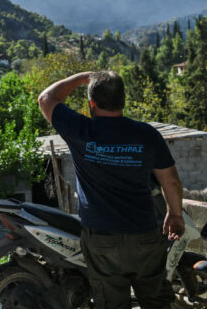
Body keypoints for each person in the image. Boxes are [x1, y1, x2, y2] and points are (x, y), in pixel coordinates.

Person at [37, 71, 184, 309]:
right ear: (123, 100)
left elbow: (46, 99)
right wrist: (175, 214)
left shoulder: (79, 129)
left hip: (102, 240)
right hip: (145, 235)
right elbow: (171, 182)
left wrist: (81, 78)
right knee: (157, 302)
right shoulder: (147, 134)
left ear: (92, 104)